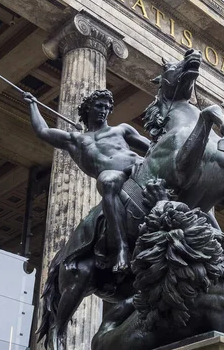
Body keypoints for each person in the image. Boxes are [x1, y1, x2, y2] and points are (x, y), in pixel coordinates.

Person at [23, 89, 150, 272]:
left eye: (107, 107)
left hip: (138, 167)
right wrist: (33, 104)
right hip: (114, 177)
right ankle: (122, 247)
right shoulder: (77, 140)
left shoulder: (121, 129)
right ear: (88, 108)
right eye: (99, 106)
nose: (103, 110)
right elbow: (43, 131)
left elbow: (152, 147)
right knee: (106, 181)